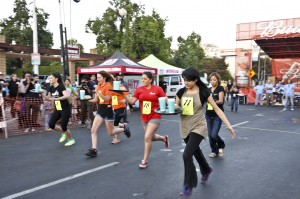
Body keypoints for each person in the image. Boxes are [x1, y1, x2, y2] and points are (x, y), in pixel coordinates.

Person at [175, 67, 235, 196]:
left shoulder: (203, 92)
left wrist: (229, 125)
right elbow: (176, 107)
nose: (186, 83)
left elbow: (217, 109)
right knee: (195, 152)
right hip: (185, 126)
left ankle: (188, 185)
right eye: (184, 80)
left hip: (199, 126)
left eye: (188, 80)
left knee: (186, 155)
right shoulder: (180, 92)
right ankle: (206, 170)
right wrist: (171, 107)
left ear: (196, 79)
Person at [120, 71, 169, 168]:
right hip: (144, 117)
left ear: (150, 80)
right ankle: (164, 138)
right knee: (150, 137)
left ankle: (145, 160)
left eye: (145, 79)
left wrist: (174, 106)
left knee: (147, 137)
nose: (142, 80)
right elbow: (132, 101)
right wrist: (123, 94)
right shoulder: (139, 89)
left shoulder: (157, 89)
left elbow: (165, 99)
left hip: (155, 116)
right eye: (142, 78)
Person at [85, 71, 131, 157]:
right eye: (97, 77)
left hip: (108, 109)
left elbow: (107, 98)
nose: (97, 79)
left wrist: (98, 92)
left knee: (110, 133)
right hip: (100, 110)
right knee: (93, 130)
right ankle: (94, 150)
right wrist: (86, 99)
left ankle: (124, 129)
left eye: (99, 77)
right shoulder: (99, 86)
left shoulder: (109, 86)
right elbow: (96, 100)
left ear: (104, 78)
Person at [42, 73, 75, 146]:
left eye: (51, 78)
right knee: (51, 124)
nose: (50, 79)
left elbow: (66, 95)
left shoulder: (61, 86)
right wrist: (42, 93)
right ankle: (63, 133)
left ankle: (71, 140)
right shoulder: (51, 87)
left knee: (64, 126)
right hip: (57, 108)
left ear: (56, 79)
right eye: (49, 78)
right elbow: (48, 98)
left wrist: (56, 98)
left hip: (65, 108)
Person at [206, 72, 226, 158]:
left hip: (217, 115)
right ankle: (214, 151)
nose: (212, 81)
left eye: (214, 79)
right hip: (208, 114)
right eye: (211, 80)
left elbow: (221, 101)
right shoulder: (208, 89)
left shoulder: (220, 89)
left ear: (218, 80)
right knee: (210, 135)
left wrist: (212, 102)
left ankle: (221, 144)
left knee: (214, 134)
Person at [110, 74, 131, 144]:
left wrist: (125, 100)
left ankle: (116, 138)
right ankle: (123, 126)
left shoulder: (121, 86)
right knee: (114, 122)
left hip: (121, 107)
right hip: (114, 107)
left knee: (115, 123)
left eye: (111, 77)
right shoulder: (110, 87)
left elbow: (128, 95)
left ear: (115, 79)